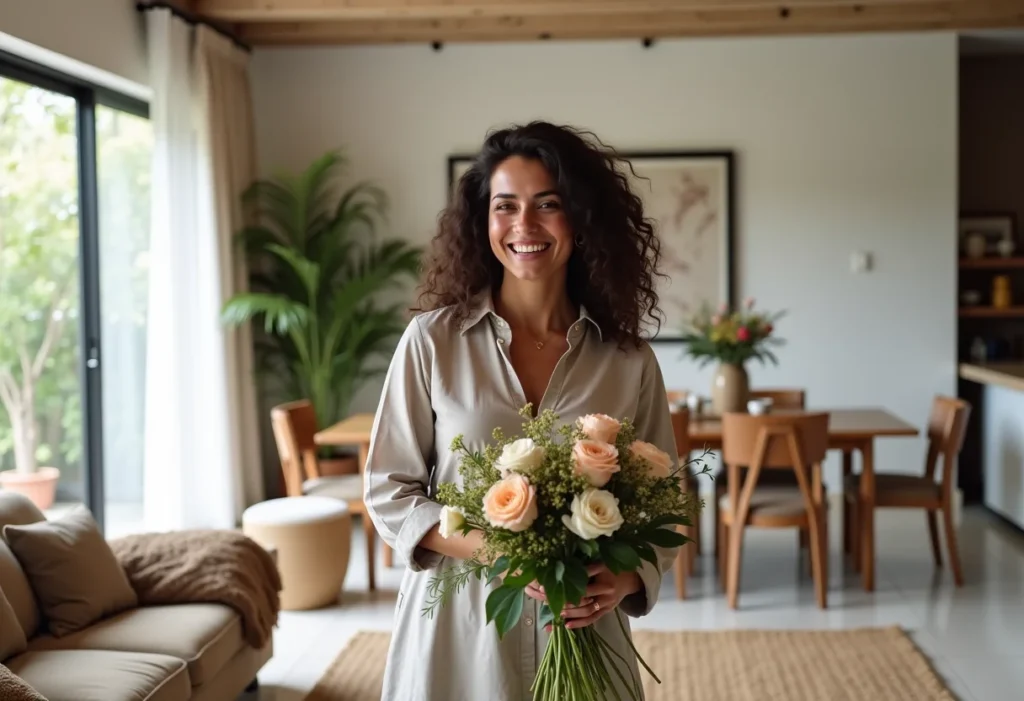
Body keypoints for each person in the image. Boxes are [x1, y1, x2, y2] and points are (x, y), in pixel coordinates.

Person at [363, 120, 681, 701]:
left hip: (586, 634)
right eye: (504, 206)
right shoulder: (432, 342)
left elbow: (669, 498)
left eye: (547, 204)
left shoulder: (629, 359)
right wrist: (503, 554)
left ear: (580, 220)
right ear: (483, 222)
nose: (524, 226)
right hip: (457, 632)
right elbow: (389, 490)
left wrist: (628, 576)